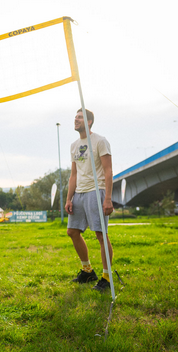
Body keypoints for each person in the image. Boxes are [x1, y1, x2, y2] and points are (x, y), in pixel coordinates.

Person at [64, 109, 114, 292]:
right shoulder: (74, 145)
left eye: (79, 117)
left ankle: (107, 278)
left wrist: (108, 198)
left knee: (101, 235)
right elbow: (73, 174)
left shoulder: (100, 141)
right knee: (72, 231)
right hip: (79, 193)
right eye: (75, 116)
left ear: (89, 121)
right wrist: (69, 198)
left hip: (96, 190)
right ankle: (87, 271)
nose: (75, 119)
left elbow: (108, 170)